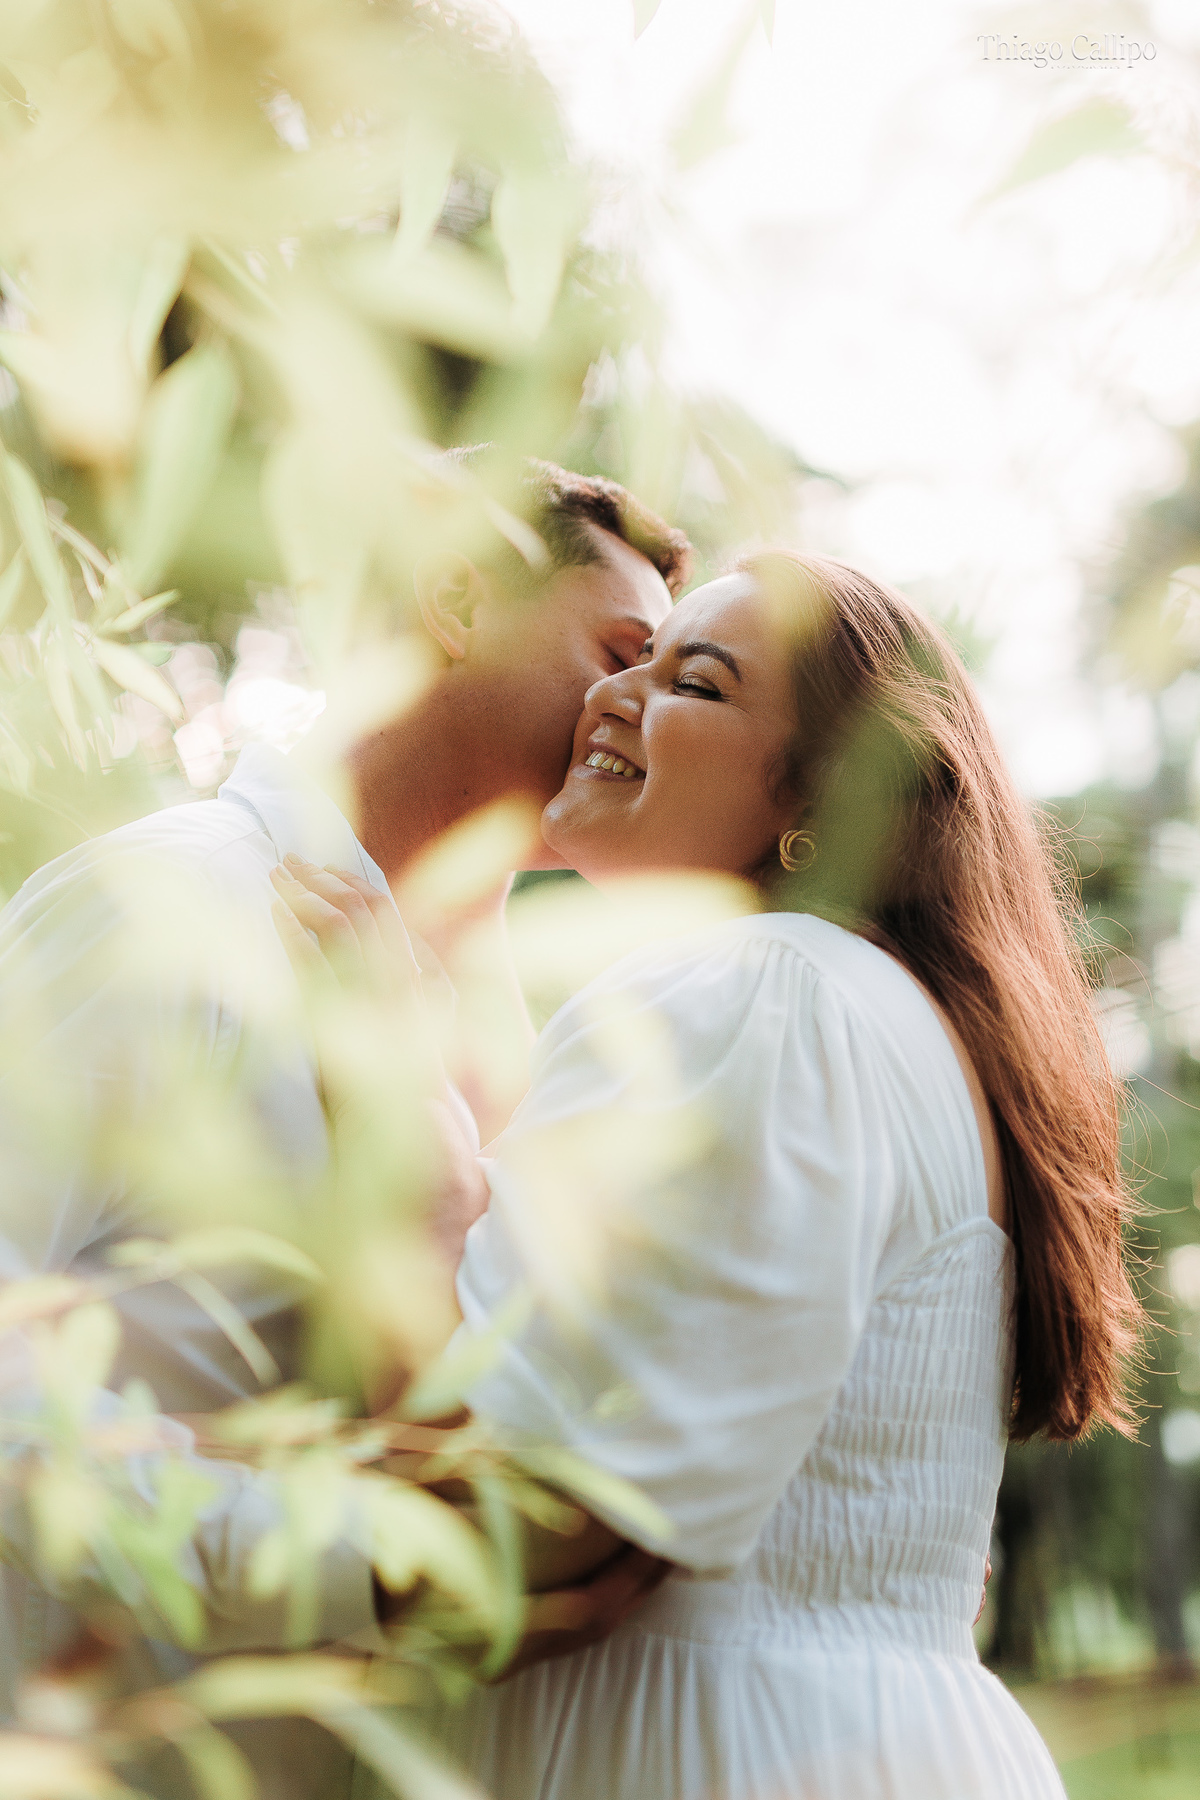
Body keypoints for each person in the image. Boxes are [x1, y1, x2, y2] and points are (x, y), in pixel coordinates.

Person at [284, 550, 1142, 1799]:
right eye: (631, 659)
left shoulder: (761, 993)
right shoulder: (858, 1008)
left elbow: (490, 1531)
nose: (611, 695)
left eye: (694, 680)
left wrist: (384, 1113)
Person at [0, 459, 689, 1797]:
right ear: (457, 602)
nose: (645, 715)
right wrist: (351, 1560)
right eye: (621, 655)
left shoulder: (539, 1051)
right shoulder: (164, 910)